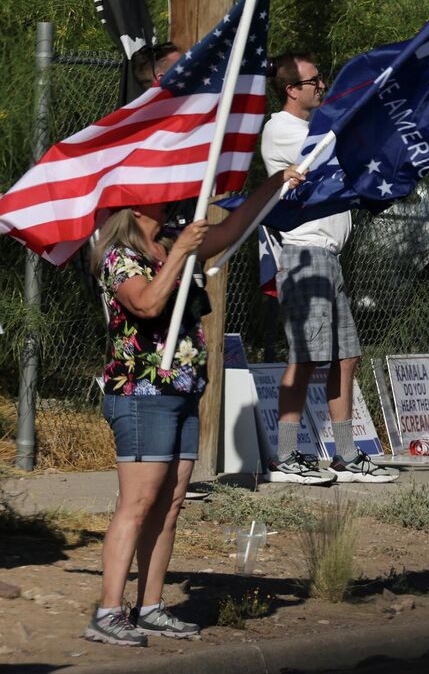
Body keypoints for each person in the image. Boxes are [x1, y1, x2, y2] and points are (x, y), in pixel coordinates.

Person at [84, 171, 303, 647]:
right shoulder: (119, 256)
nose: (171, 197)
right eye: (159, 193)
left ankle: (151, 606)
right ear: (137, 206)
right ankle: (107, 611)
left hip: (183, 391)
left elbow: (233, 229)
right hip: (141, 393)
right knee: (138, 504)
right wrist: (181, 251)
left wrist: (275, 185)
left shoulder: (168, 245)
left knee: (169, 504)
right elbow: (144, 304)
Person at [260, 52, 393, 485]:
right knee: (306, 356)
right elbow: (328, 163)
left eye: (322, 78)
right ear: (291, 89)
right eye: (314, 81)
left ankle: (346, 454)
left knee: (346, 356)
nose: (323, 86)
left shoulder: (318, 127)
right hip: (304, 254)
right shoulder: (283, 128)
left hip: (329, 256)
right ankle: (284, 455)